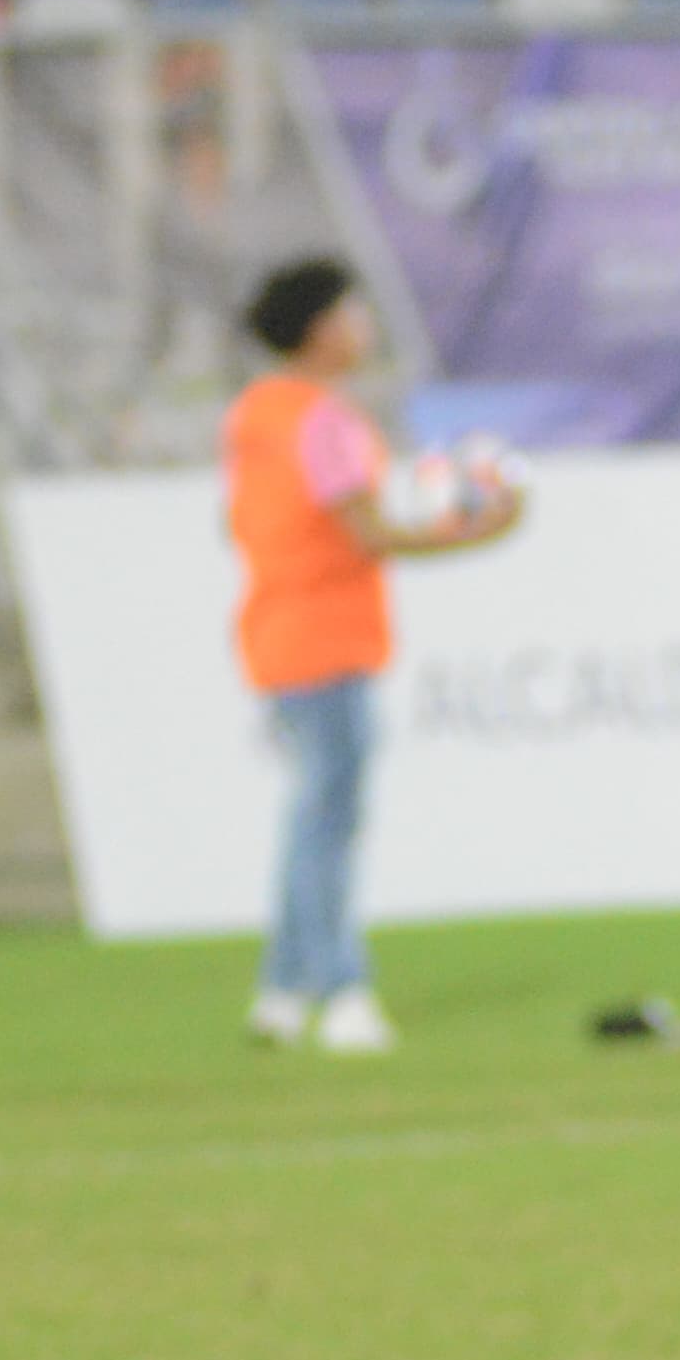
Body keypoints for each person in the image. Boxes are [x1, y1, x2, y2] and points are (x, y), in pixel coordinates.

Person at [221, 257, 521, 1054]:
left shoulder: (257, 413)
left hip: (275, 627)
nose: (363, 328)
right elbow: (370, 533)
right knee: (328, 819)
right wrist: (477, 527)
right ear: (321, 328)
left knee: (309, 816)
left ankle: (281, 992)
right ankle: (342, 989)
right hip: (327, 636)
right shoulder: (324, 419)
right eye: (351, 313)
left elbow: (242, 523)